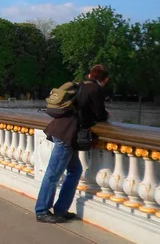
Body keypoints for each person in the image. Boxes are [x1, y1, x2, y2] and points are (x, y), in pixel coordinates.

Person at [35, 64, 110, 223]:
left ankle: (61, 209)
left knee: (75, 170)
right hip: (66, 136)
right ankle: (42, 211)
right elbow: (100, 115)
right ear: (106, 80)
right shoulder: (95, 90)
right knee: (53, 174)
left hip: (62, 132)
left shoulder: (81, 85)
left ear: (90, 76)